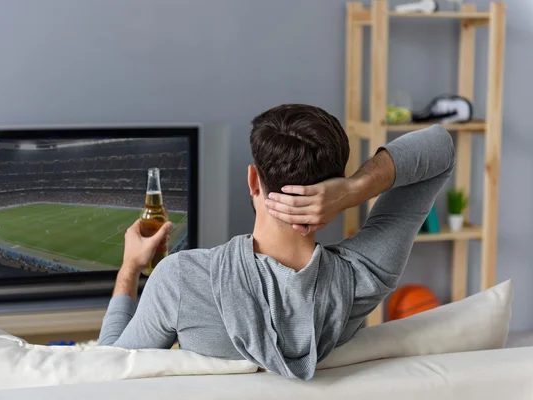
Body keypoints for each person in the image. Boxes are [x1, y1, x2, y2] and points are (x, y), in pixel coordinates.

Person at [99, 104, 455, 380]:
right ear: (335, 183)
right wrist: (352, 191)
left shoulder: (181, 280)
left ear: (254, 181)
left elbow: (105, 371)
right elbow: (440, 148)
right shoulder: (365, 276)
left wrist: (130, 267)